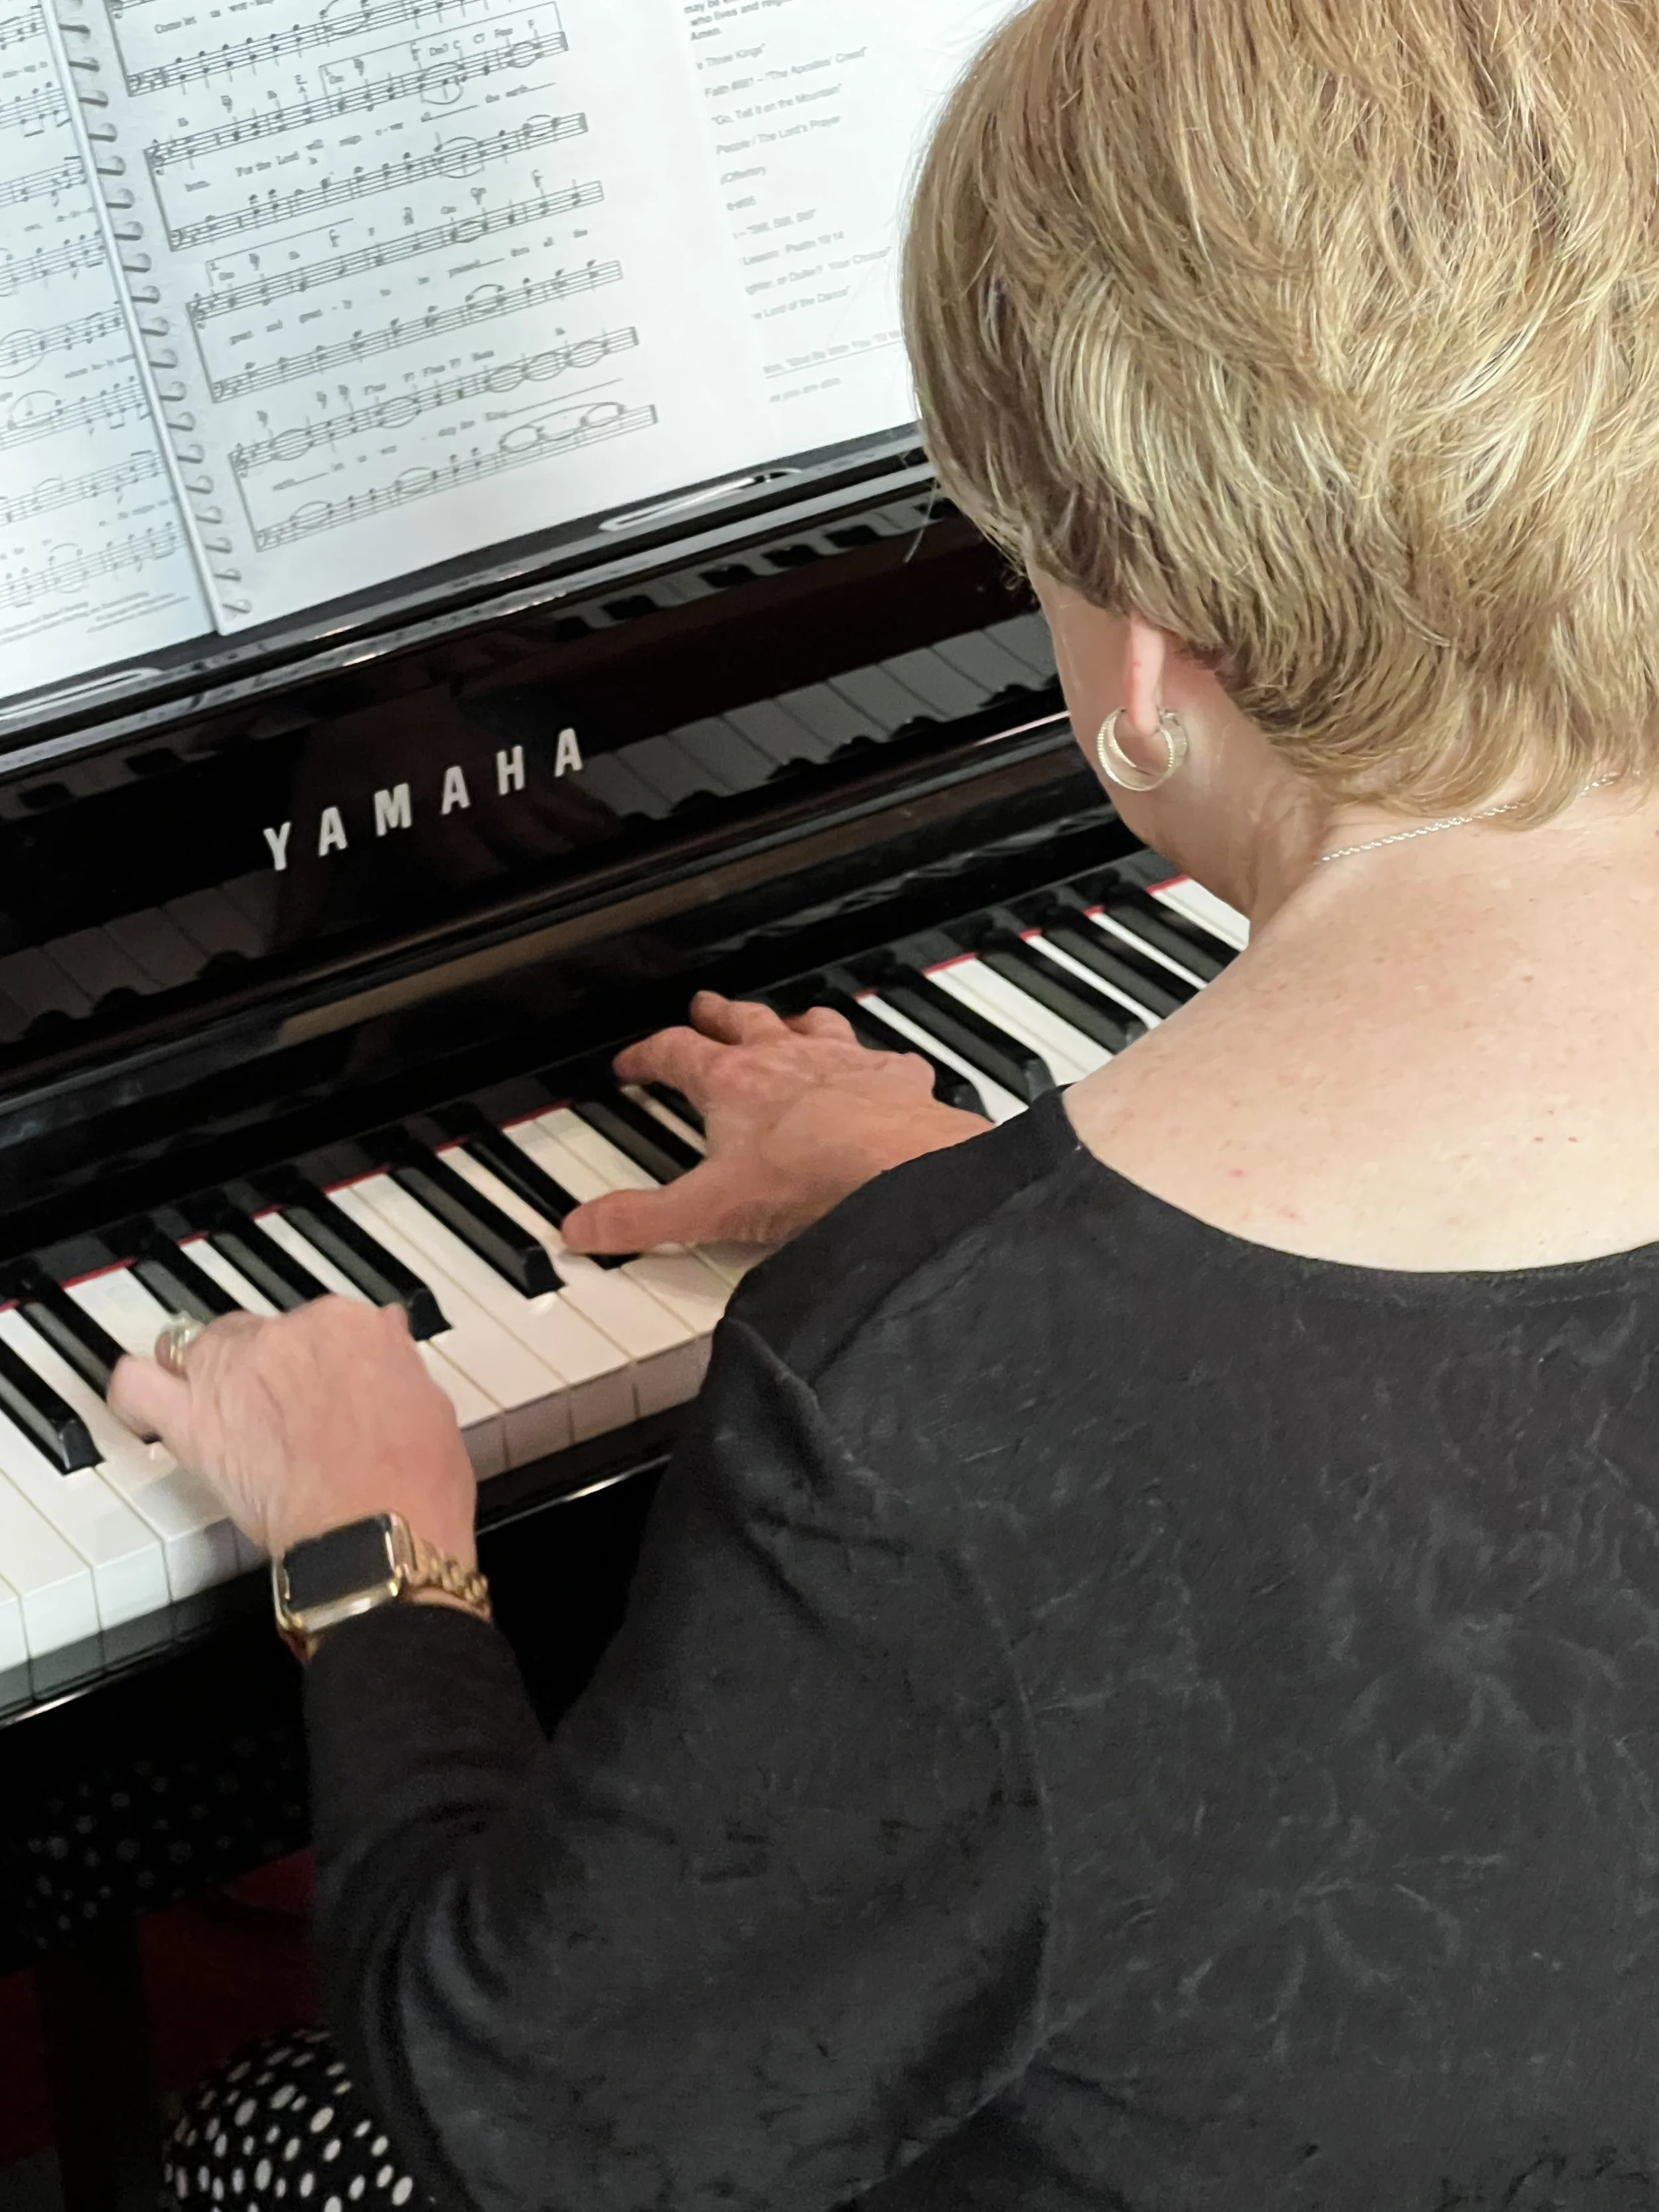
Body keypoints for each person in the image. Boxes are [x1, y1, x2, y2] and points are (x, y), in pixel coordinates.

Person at [122, 0, 1659, 2203]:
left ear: (1137, 653)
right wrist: (961, 1187)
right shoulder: (988, 1349)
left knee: (282, 2151)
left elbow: (525, 2111)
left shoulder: (933, 1375)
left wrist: (372, 1549)